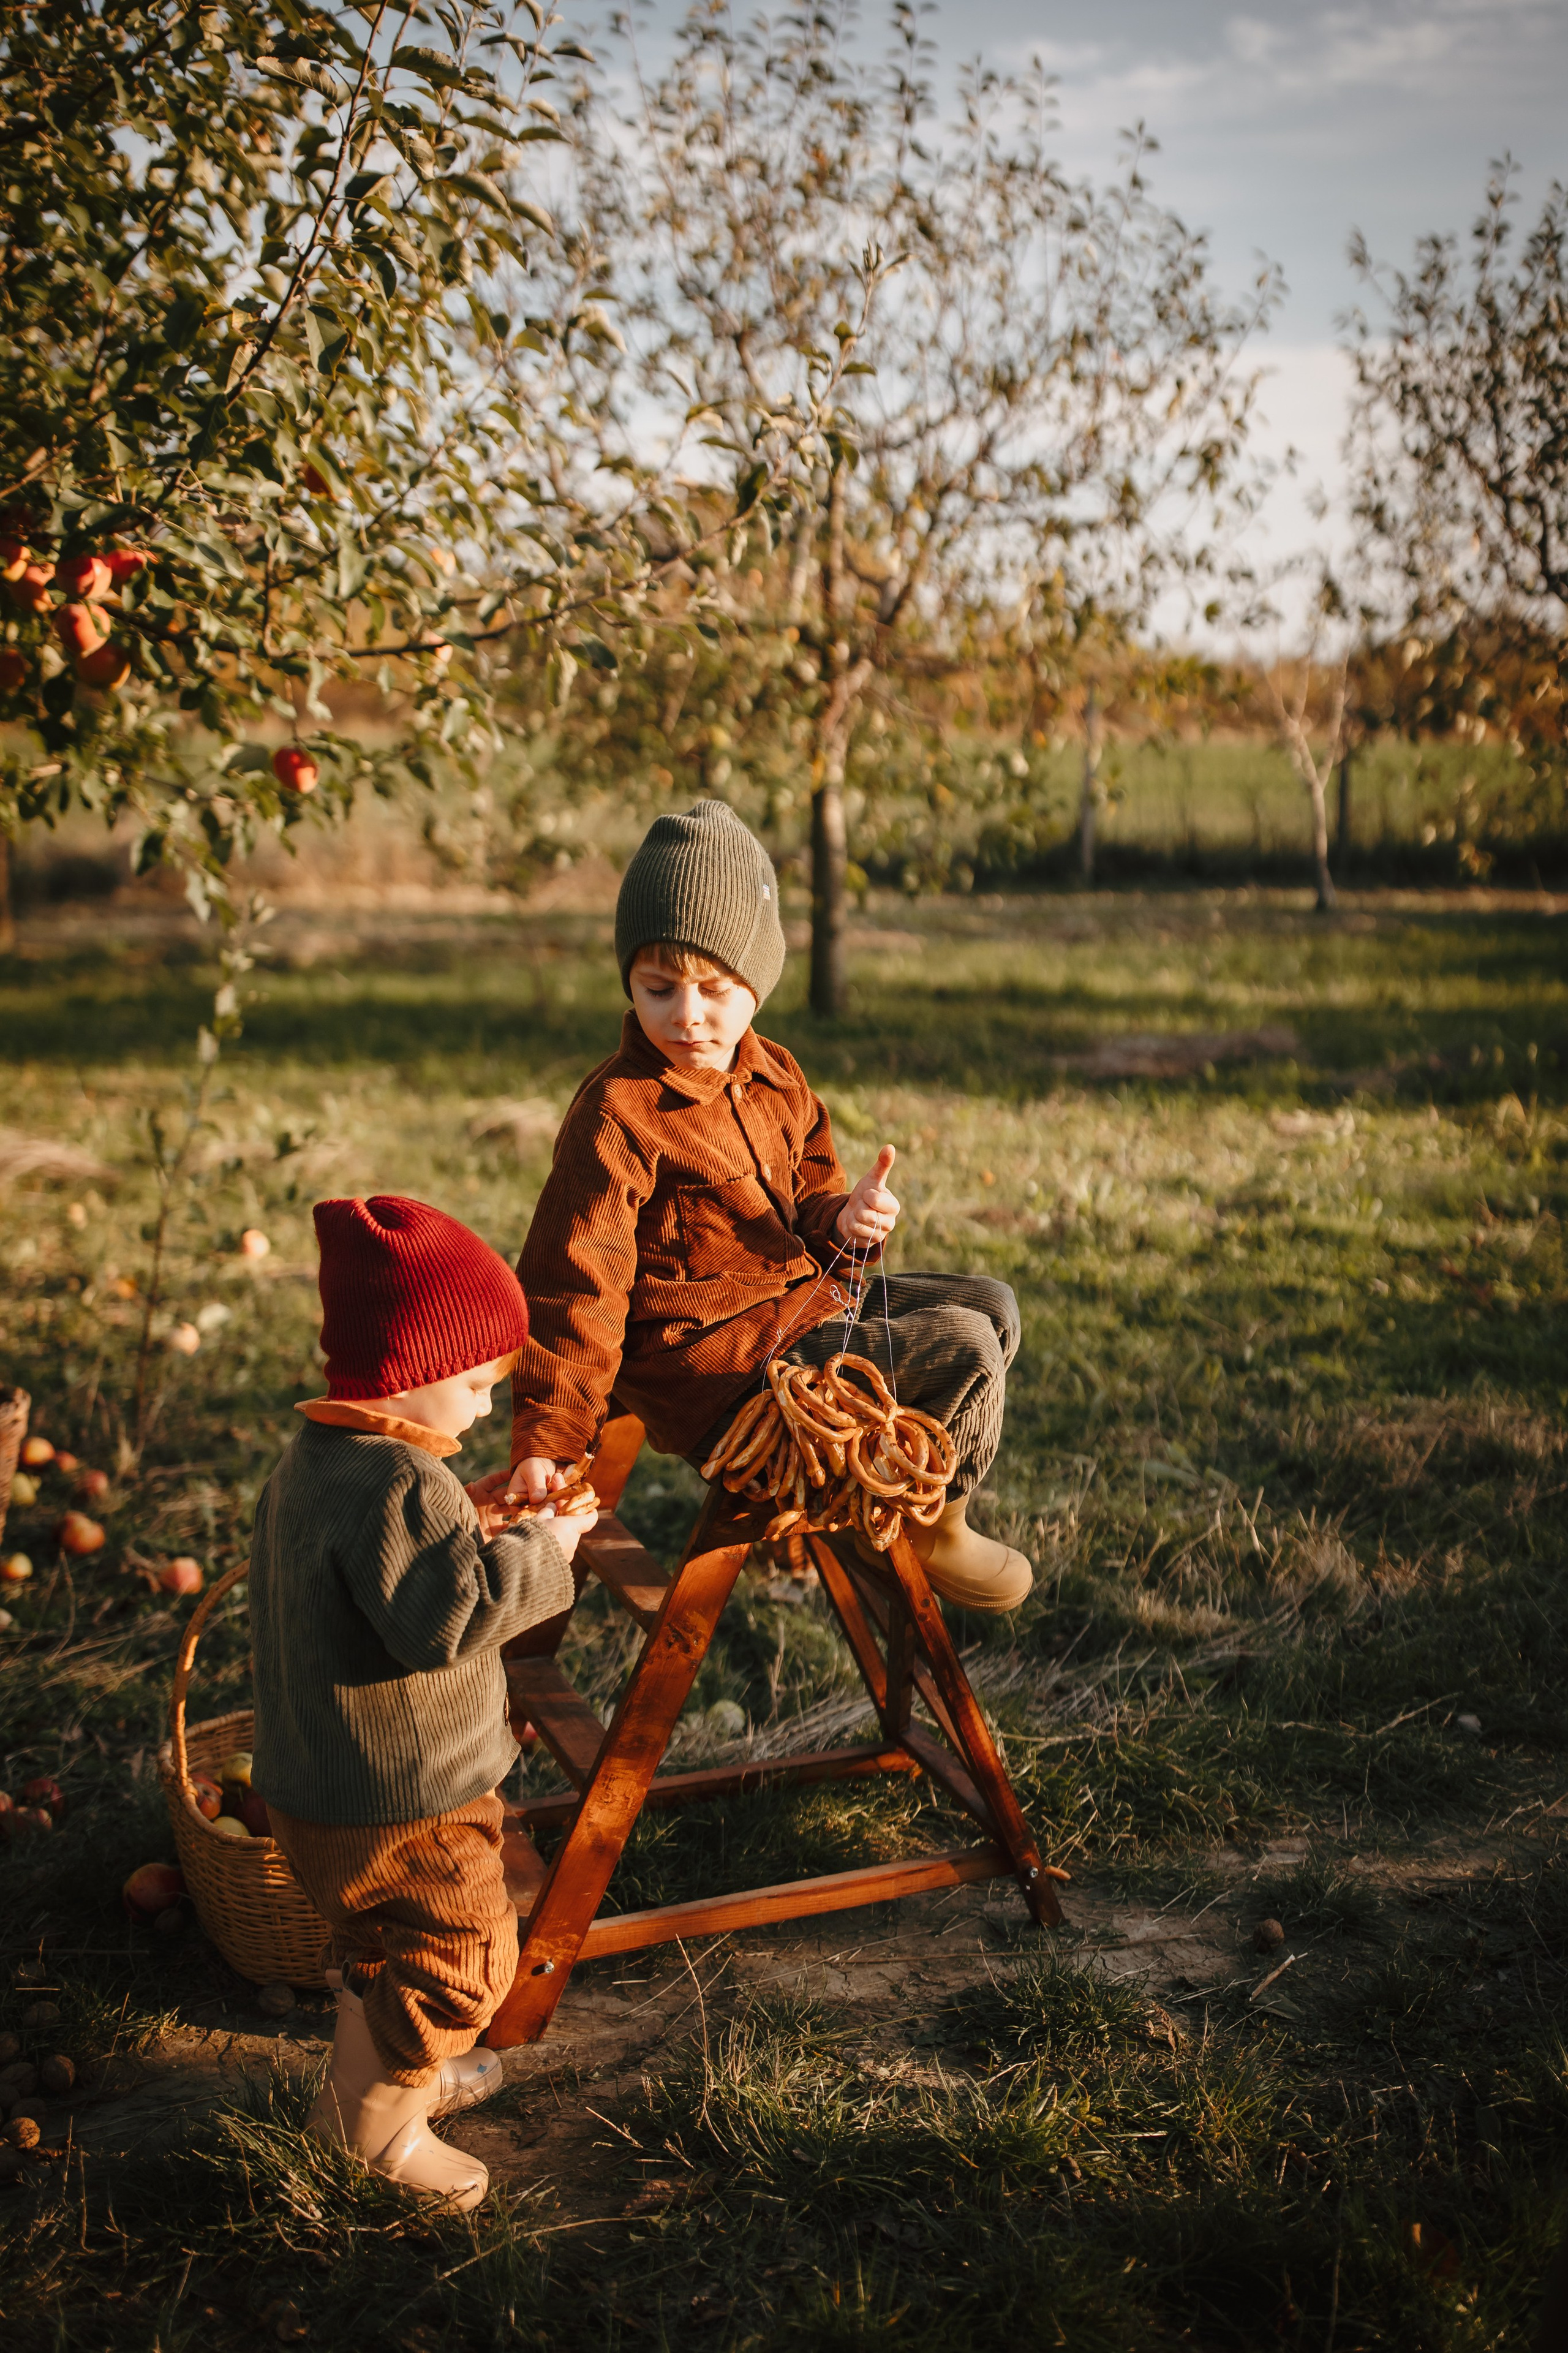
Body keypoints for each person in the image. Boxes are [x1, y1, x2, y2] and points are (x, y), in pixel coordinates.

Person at [486, 799, 1031, 1612]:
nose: (687, 1013)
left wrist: (842, 1218)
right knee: (960, 1346)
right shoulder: (619, 1113)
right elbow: (577, 1282)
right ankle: (917, 1525)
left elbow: (808, 1192)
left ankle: (919, 1499)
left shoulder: (775, 1074)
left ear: (759, 982)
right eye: (658, 986)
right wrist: (552, 1439)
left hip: (803, 1305)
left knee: (994, 1305)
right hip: (720, 1366)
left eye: (715, 987)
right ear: (629, 981)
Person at [248, 1194, 594, 2211]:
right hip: (406, 1802)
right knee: (460, 1955)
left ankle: (388, 2082)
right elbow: (451, 1619)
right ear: (410, 1369)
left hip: (318, 1788)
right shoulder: (404, 1482)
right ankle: (374, 2135)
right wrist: (545, 1549)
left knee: (379, 1946)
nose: (488, 1406)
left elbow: (367, 1575)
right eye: (478, 1382)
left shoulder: (319, 1461)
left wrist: (473, 1514)